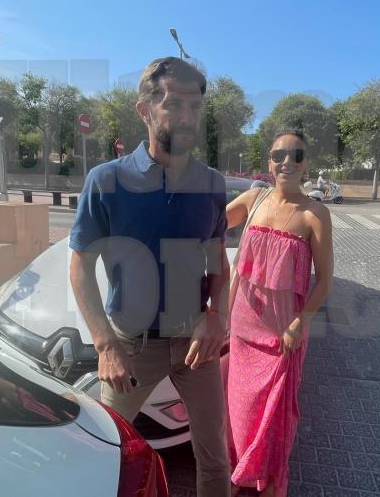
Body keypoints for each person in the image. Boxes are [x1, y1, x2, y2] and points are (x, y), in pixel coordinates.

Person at [68, 57, 231, 496]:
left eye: (194, 106)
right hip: (132, 347)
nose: (186, 116)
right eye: (173, 104)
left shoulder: (211, 185)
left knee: (215, 457)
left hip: (196, 346)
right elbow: (80, 266)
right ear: (144, 110)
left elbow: (218, 260)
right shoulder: (107, 181)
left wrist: (216, 315)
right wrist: (105, 345)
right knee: (106, 453)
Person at [225, 130, 333, 497]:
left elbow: (325, 281)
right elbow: (209, 224)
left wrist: (301, 322)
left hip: (283, 336)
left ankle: (269, 482)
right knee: (240, 412)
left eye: (296, 155)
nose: (287, 161)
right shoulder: (254, 199)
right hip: (243, 331)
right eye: (278, 155)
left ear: (306, 164)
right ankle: (240, 473)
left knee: (274, 417)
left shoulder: (315, 214)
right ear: (269, 162)